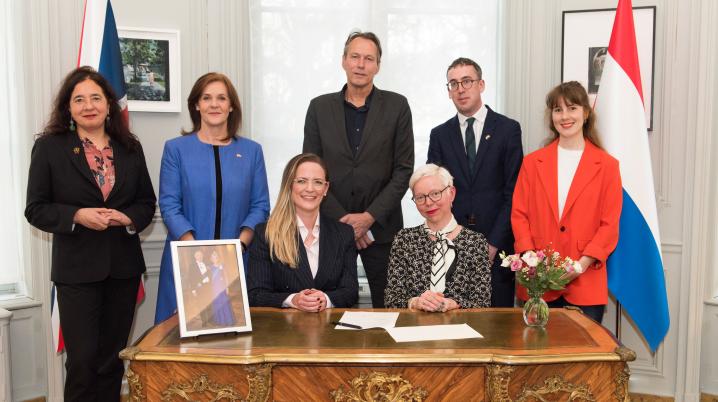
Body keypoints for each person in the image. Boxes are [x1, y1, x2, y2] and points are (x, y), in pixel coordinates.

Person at [25, 66, 156, 401]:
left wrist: (126, 217)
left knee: (112, 362)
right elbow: (36, 208)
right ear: (67, 108)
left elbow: (146, 203)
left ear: (109, 105)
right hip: (77, 272)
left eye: (95, 98)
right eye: (79, 99)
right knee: (82, 363)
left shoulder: (129, 147)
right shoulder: (50, 148)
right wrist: (77, 215)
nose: (88, 105)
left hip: (123, 270)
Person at [303, 31, 414, 308]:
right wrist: (346, 222)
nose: (361, 64)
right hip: (331, 230)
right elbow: (311, 172)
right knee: (330, 311)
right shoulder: (319, 107)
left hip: (383, 231)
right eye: (355, 57)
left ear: (378, 65)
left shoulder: (397, 106)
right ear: (343, 61)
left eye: (368, 58)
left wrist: (368, 218)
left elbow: (403, 171)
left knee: (390, 310)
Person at [154, 72, 270, 324]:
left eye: (221, 98)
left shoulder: (252, 151)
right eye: (206, 98)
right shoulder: (176, 149)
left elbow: (260, 206)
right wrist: (196, 251)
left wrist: (237, 249)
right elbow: (169, 205)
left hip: (237, 263)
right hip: (186, 261)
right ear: (196, 105)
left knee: (233, 344)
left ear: (231, 106)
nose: (214, 104)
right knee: (180, 348)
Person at [511, 81, 622, 323]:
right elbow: (519, 215)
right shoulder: (532, 162)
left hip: (585, 279)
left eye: (572, 108)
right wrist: (532, 261)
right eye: (558, 110)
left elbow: (609, 225)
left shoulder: (607, 166)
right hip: (538, 281)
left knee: (581, 359)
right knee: (537, 355)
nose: (565, 116)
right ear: (551, 117)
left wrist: (579, 266)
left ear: (586, 112)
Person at [427, 57, 523, 307]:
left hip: (498, 246)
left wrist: (493, 242)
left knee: (497, 329)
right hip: (451, 246)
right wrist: (449, 240)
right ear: (449, 92)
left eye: (467, 81)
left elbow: (513, 192)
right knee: (454, 327)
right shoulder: (439, 135)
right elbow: (434, 193)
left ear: (481, 84)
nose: (460, 89)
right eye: (453, 84)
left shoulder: (508, 129)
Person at [248, 153, 359, 311]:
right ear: (289, 185)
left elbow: (350, 291)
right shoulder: (265, 233)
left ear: (326, 188)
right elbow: (255, 295)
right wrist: (293, 300)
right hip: (283, 332)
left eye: (318, 182)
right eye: (301, 181)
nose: (310, 189)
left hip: (330, 331)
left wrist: (325, 299)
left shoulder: (344, 233)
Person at [384, 164, 491, 311]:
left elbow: (482, 302)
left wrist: (453, 304)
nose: (428, 203)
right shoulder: (404, 240)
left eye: (435, 194)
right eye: (420, 197)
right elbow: (391, 299)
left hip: (459, 328)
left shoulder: (475, 242)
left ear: (451, 193)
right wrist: (415, 302)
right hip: (413, 329)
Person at [208, 250, 235, 326]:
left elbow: (226, 277)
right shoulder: (209, 268)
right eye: (213, 256)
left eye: (216, 255)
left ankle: (227, 320)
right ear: (211, 258)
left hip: (222, 287)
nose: (215, 257)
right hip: (214, 288)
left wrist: (227, 287)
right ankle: (220, 320)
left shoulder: (222, 265)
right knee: (217, 304)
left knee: (224, 303)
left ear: (218, 257)